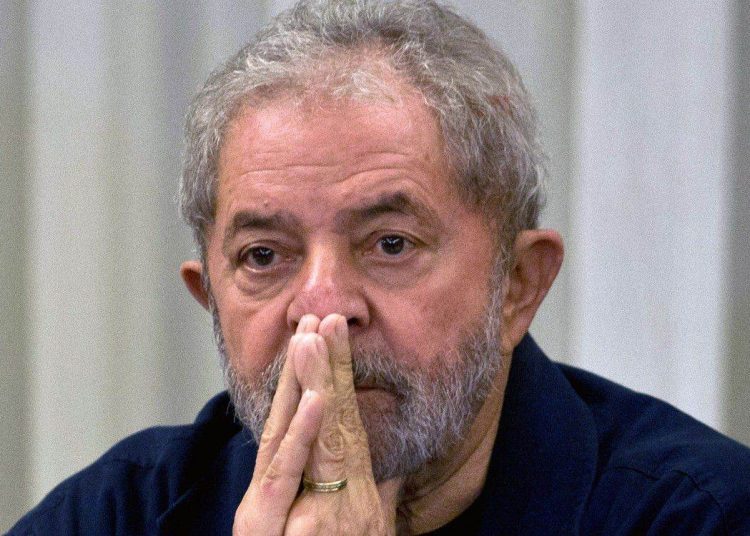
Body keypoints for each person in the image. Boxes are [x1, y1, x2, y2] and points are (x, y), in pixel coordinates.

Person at [9, 1, 750, 534]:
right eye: (263, 256)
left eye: (390, 244)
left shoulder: (700, 514)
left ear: (518, 287)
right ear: (209, 300)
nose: (323, 308)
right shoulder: (114, 515)